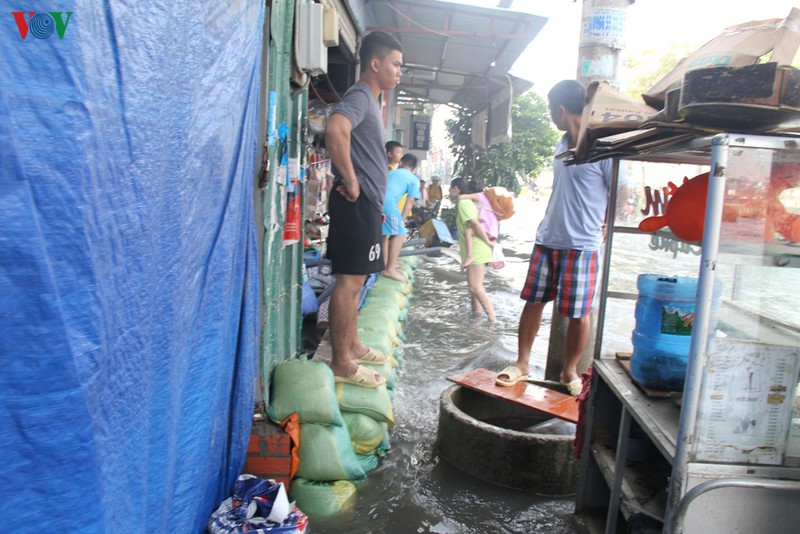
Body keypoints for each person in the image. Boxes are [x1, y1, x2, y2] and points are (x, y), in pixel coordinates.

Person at [495, 80, 613, 396]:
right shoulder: (562, 145)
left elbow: (620, 190)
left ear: (561, 109)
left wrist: (607, 222)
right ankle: (522, 363)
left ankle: (569, 371)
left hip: (582, 244)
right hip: (548, 238)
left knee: (578, 314)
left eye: (550, 109)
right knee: (533, 301)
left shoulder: (602, 147)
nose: (551, 115)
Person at [324, 30, 403, 388]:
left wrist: (373, 201)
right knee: (349, 282)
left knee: (359, 281)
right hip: (355, 204)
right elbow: (336, 128)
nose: (400, 71)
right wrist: (352, 182)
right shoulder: (359, 95)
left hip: (368, 207)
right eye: (396, 64)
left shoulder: (372, 101)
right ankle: (341, 361)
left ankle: (353, 344)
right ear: (375, 63)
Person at [450, 178, 496, 323]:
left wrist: (487, 242)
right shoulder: (468, 202)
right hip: (480, 248)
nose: (450, 191)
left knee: (475, 287)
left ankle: (493, 321)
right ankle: (476, 317)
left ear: (456, 189)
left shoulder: (463, 203)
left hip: (477, 250)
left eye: (451, 188)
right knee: (475, 289)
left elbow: (475, 225)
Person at [381, 153, 420, 281]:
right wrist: (402, 219)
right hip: (389, 203)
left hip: (377, 201)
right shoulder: (414, 179)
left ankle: (385, 264)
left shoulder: (391, 173)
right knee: (400, 233)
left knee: (385, 234)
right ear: (414, 168)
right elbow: (410, 201)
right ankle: (390, 270)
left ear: (402, 162)